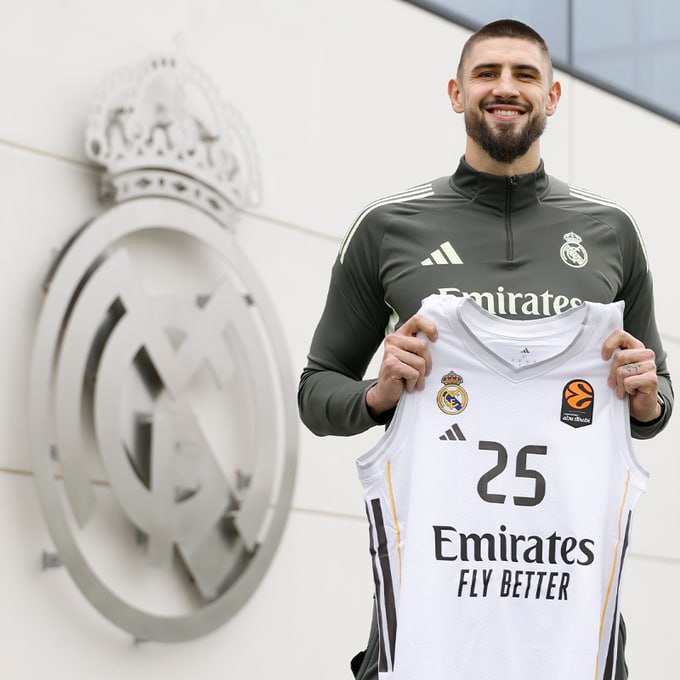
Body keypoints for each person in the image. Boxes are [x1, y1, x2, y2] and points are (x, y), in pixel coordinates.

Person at [298, 19, 673, 680]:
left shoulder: (610, 232)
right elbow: (316, 388)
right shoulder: (388, 227)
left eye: (525, 75)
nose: (505, 88)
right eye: (487, 73)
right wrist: (377, 396)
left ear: (552, 96)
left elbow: (658, 394)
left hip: (570, 623)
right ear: (456, 93)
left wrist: (648, 400)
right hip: (429, 623)